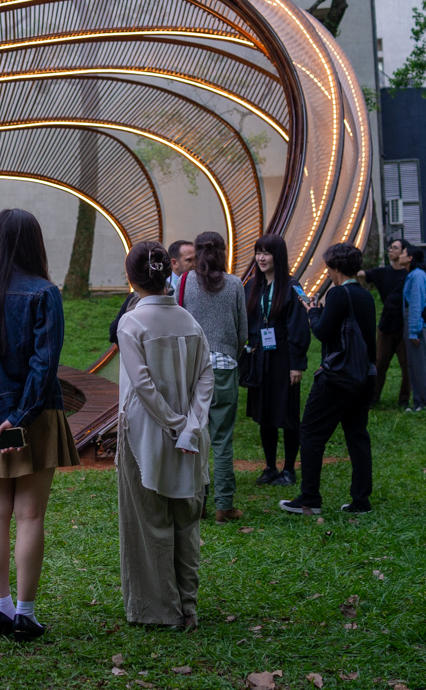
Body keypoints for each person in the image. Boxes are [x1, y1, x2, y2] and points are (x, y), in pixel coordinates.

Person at [0, 209, 80, 642]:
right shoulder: (46, 294)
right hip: (37, 416)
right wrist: (19, 415)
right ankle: (25, 613)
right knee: (29, 515)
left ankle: (1, 609)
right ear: (35, 244)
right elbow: (46, 361)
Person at [114, 241, 213, 630]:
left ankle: (157, 609)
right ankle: (187, 605)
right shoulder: (190, 321)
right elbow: (207, 375)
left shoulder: (132, 322)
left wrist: (172, 423)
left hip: (144, 434)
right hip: (190, 435)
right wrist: (191, 422)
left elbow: (140, 383)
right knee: (186, 522)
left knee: (148, 520)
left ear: (131, 279)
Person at [280, 242, 376, 515]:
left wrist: (312, 311)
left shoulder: (338, 295)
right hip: (365, 375)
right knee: (357, 436)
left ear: (334, 268)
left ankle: (309, 498)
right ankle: (361, 500)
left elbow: (322, 332)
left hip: (338, 376)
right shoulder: (365, 296)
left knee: (311, 432)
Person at [175, 231, 247, 523]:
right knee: (222, 441)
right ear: (223, 251)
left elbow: (178, 322)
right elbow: (243, 332)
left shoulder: (185, 282)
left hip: (194, 369)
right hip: (226, 367)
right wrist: (232, 355)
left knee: (196, 436)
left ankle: (198, 502)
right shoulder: (235, 284)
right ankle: (224, 505)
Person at [244, 234, 310, 487]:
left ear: (278, 256)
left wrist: (297, 364)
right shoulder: (253, 286)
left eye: (267, 253)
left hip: (284, 357)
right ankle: (270, 466)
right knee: (265, 413)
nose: (261, 258)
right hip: (261, 357)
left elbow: (299, 327)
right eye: (258, 252)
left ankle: (289, 470)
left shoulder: (292, 287)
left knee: (288, 413)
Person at [358, 239, 410, 407]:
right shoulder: (383, 273)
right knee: (379, 363)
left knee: (407, 366)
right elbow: (361, 274)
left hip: (404, 327)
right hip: (386, 325)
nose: (390, 251)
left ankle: (404, 400)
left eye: (395, 248)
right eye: (390, 248)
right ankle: (373, 397)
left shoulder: (410, 275)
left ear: (404, 252)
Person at [110, 238, 193, 343]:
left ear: (131, 279)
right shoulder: (190, 320)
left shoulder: (129, 324)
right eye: (189, 260)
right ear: (168, 272)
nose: (195, 264)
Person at [401, 243, 426, 411]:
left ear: (410, 257)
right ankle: (419, 403)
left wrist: (414, 331)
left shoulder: (416, 276)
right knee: (414, 365)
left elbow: (416, 304)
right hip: (415, 325)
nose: (399, 255)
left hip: (419, 326)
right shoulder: (413, 275)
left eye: (403, 252)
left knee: (421, 365)